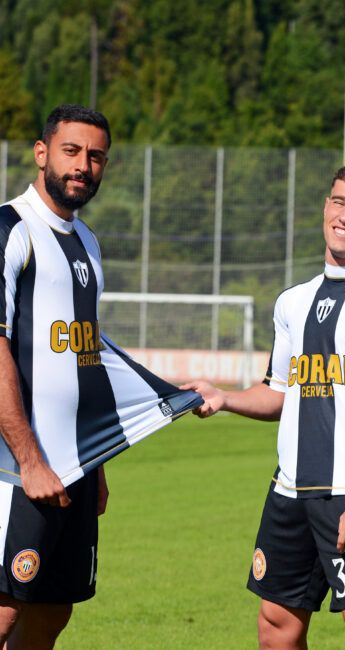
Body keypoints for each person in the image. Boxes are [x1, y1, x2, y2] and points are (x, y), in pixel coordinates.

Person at [183, 162, 345, 649]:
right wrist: (226, 398)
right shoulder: (293, 301)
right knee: (276, 624)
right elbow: (280, 393)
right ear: (326, 206)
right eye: (338, 202)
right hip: (289, 488)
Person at [0, 104, 203, 647]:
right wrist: (29, 461)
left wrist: (99, 459)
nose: (83, 165)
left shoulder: (87, 241)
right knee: (3, 610)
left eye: (96, 156)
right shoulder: (9, 229)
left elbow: (86, 358)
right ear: (42, 153)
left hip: (76, 465)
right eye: (71, 151)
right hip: (16, 468)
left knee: (51, 610)